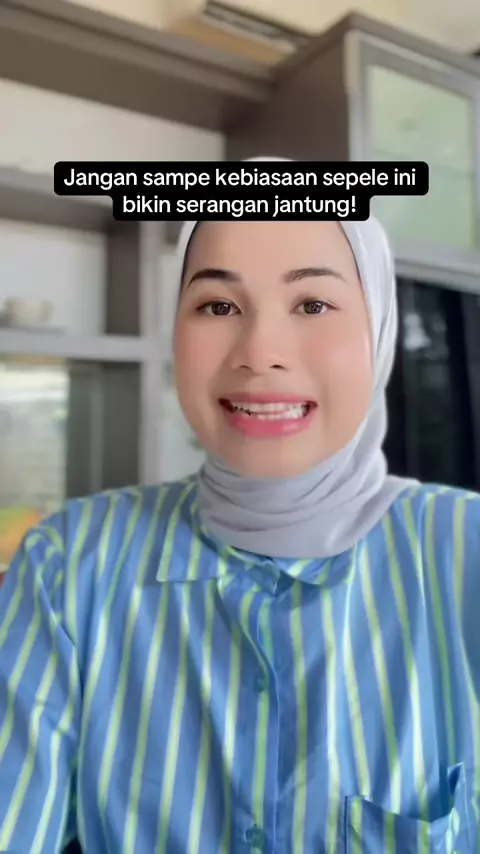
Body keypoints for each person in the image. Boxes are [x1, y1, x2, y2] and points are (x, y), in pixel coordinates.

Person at [0, 165, 479, 854]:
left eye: (312, 303)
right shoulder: (69, 564)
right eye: (219, 306)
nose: (260, 354)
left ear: (378, 329)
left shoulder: (465, 554)